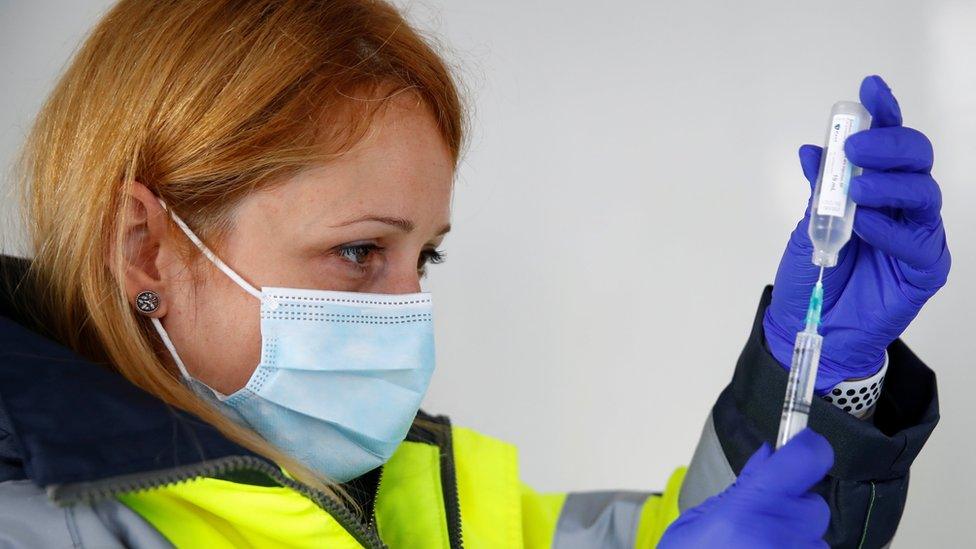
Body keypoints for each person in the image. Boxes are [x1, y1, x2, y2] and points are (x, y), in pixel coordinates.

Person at [0, 1, 946, 547]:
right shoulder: (44, 522)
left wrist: (816, 371)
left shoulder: (419, 490)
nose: (409, 315)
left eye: (427, 256)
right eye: (362, 252)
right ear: (146, 249)